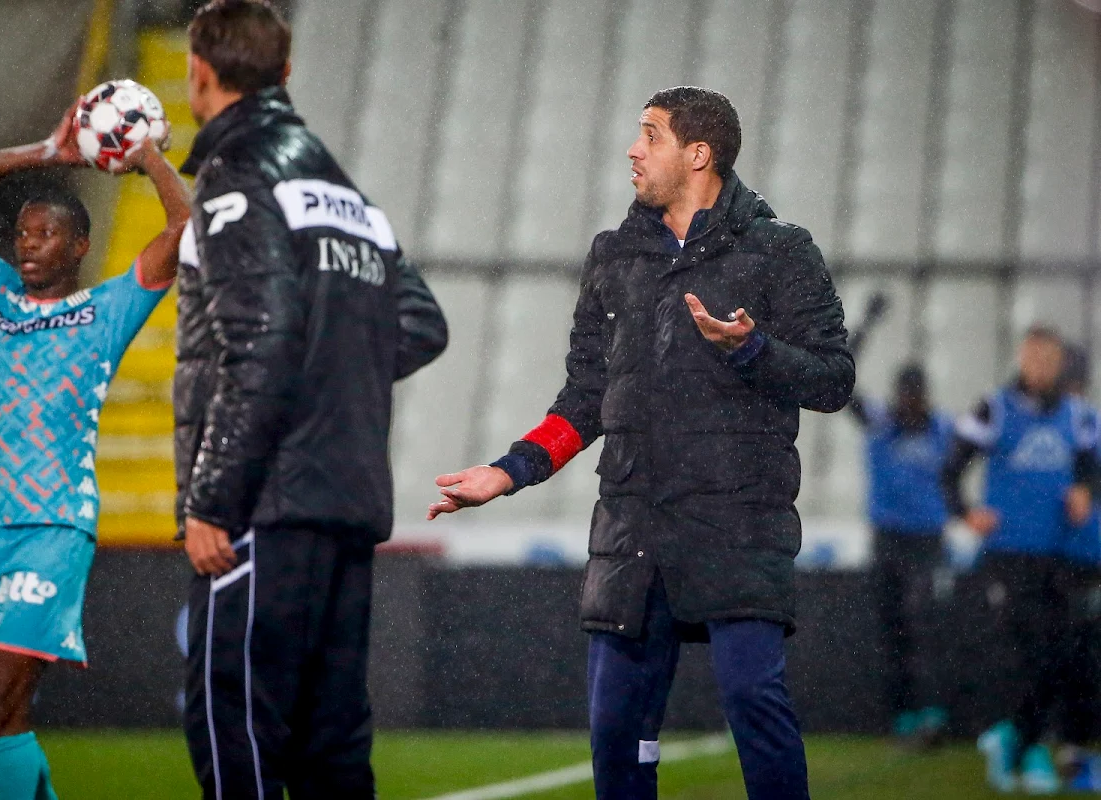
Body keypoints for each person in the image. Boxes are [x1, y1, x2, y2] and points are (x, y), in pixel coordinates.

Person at [427, 86, 854, 800]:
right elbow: (585, 397)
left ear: (698, 154)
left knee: (754, 703)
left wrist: (753, 350)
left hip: (739, 529)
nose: (633, 149)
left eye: (649, 135)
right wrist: (508, 472)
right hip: (632, 534)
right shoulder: (614, 255)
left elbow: (835, 380)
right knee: (616, 732)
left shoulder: (781, 250)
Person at [174, 2, 448, 798]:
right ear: (285, 74)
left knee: (238, 728)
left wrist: (213, 501)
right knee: (331, 744)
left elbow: (261, 343)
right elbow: (421, 323)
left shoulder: (237, 175)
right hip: (346, 501)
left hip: (264, 505)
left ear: (199, 74)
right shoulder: (342, 190)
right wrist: (332, 367)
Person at [0, 103, 187, 798]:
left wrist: (147, 160)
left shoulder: (108, 310)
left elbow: (184, 228)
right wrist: (45, 148)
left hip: (52, 528)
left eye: (46, 234)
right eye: (22, 233)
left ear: (79, 247)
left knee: (7, 703)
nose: (28, 243)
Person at [942, 326, 1097, 794]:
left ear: (1059, 365)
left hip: (1058, 552)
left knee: (1056, 652)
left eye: (1050, 361)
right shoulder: (995, 408)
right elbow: (952, 466)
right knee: (1030, 653)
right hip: (1009, 553)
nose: (1042, 369)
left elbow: (1092, 464)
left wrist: (1084, 490)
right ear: (1023, 360)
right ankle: (1025, 747)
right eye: (1034, 359)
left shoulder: (1077, 415)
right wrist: (966, 513)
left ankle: (1016, 741)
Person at [846, 335, 955, 743]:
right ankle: (904, 716)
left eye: (917, 394)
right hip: (889, 539)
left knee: (923, 624)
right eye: (907, 394)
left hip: (927, 540)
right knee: (894, 629)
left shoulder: (943, 429)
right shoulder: (881, 423)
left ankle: (932, 711)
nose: (912, 402)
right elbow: (842, 385)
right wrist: (868, 326)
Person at [1052, 345, 1101, 790]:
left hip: (1080, 555)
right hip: (1077, 557)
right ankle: (1073, 746)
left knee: (1079, 655)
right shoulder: (1080, 426)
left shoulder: (1078, 426)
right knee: (1080, 654)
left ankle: (1072, 745)